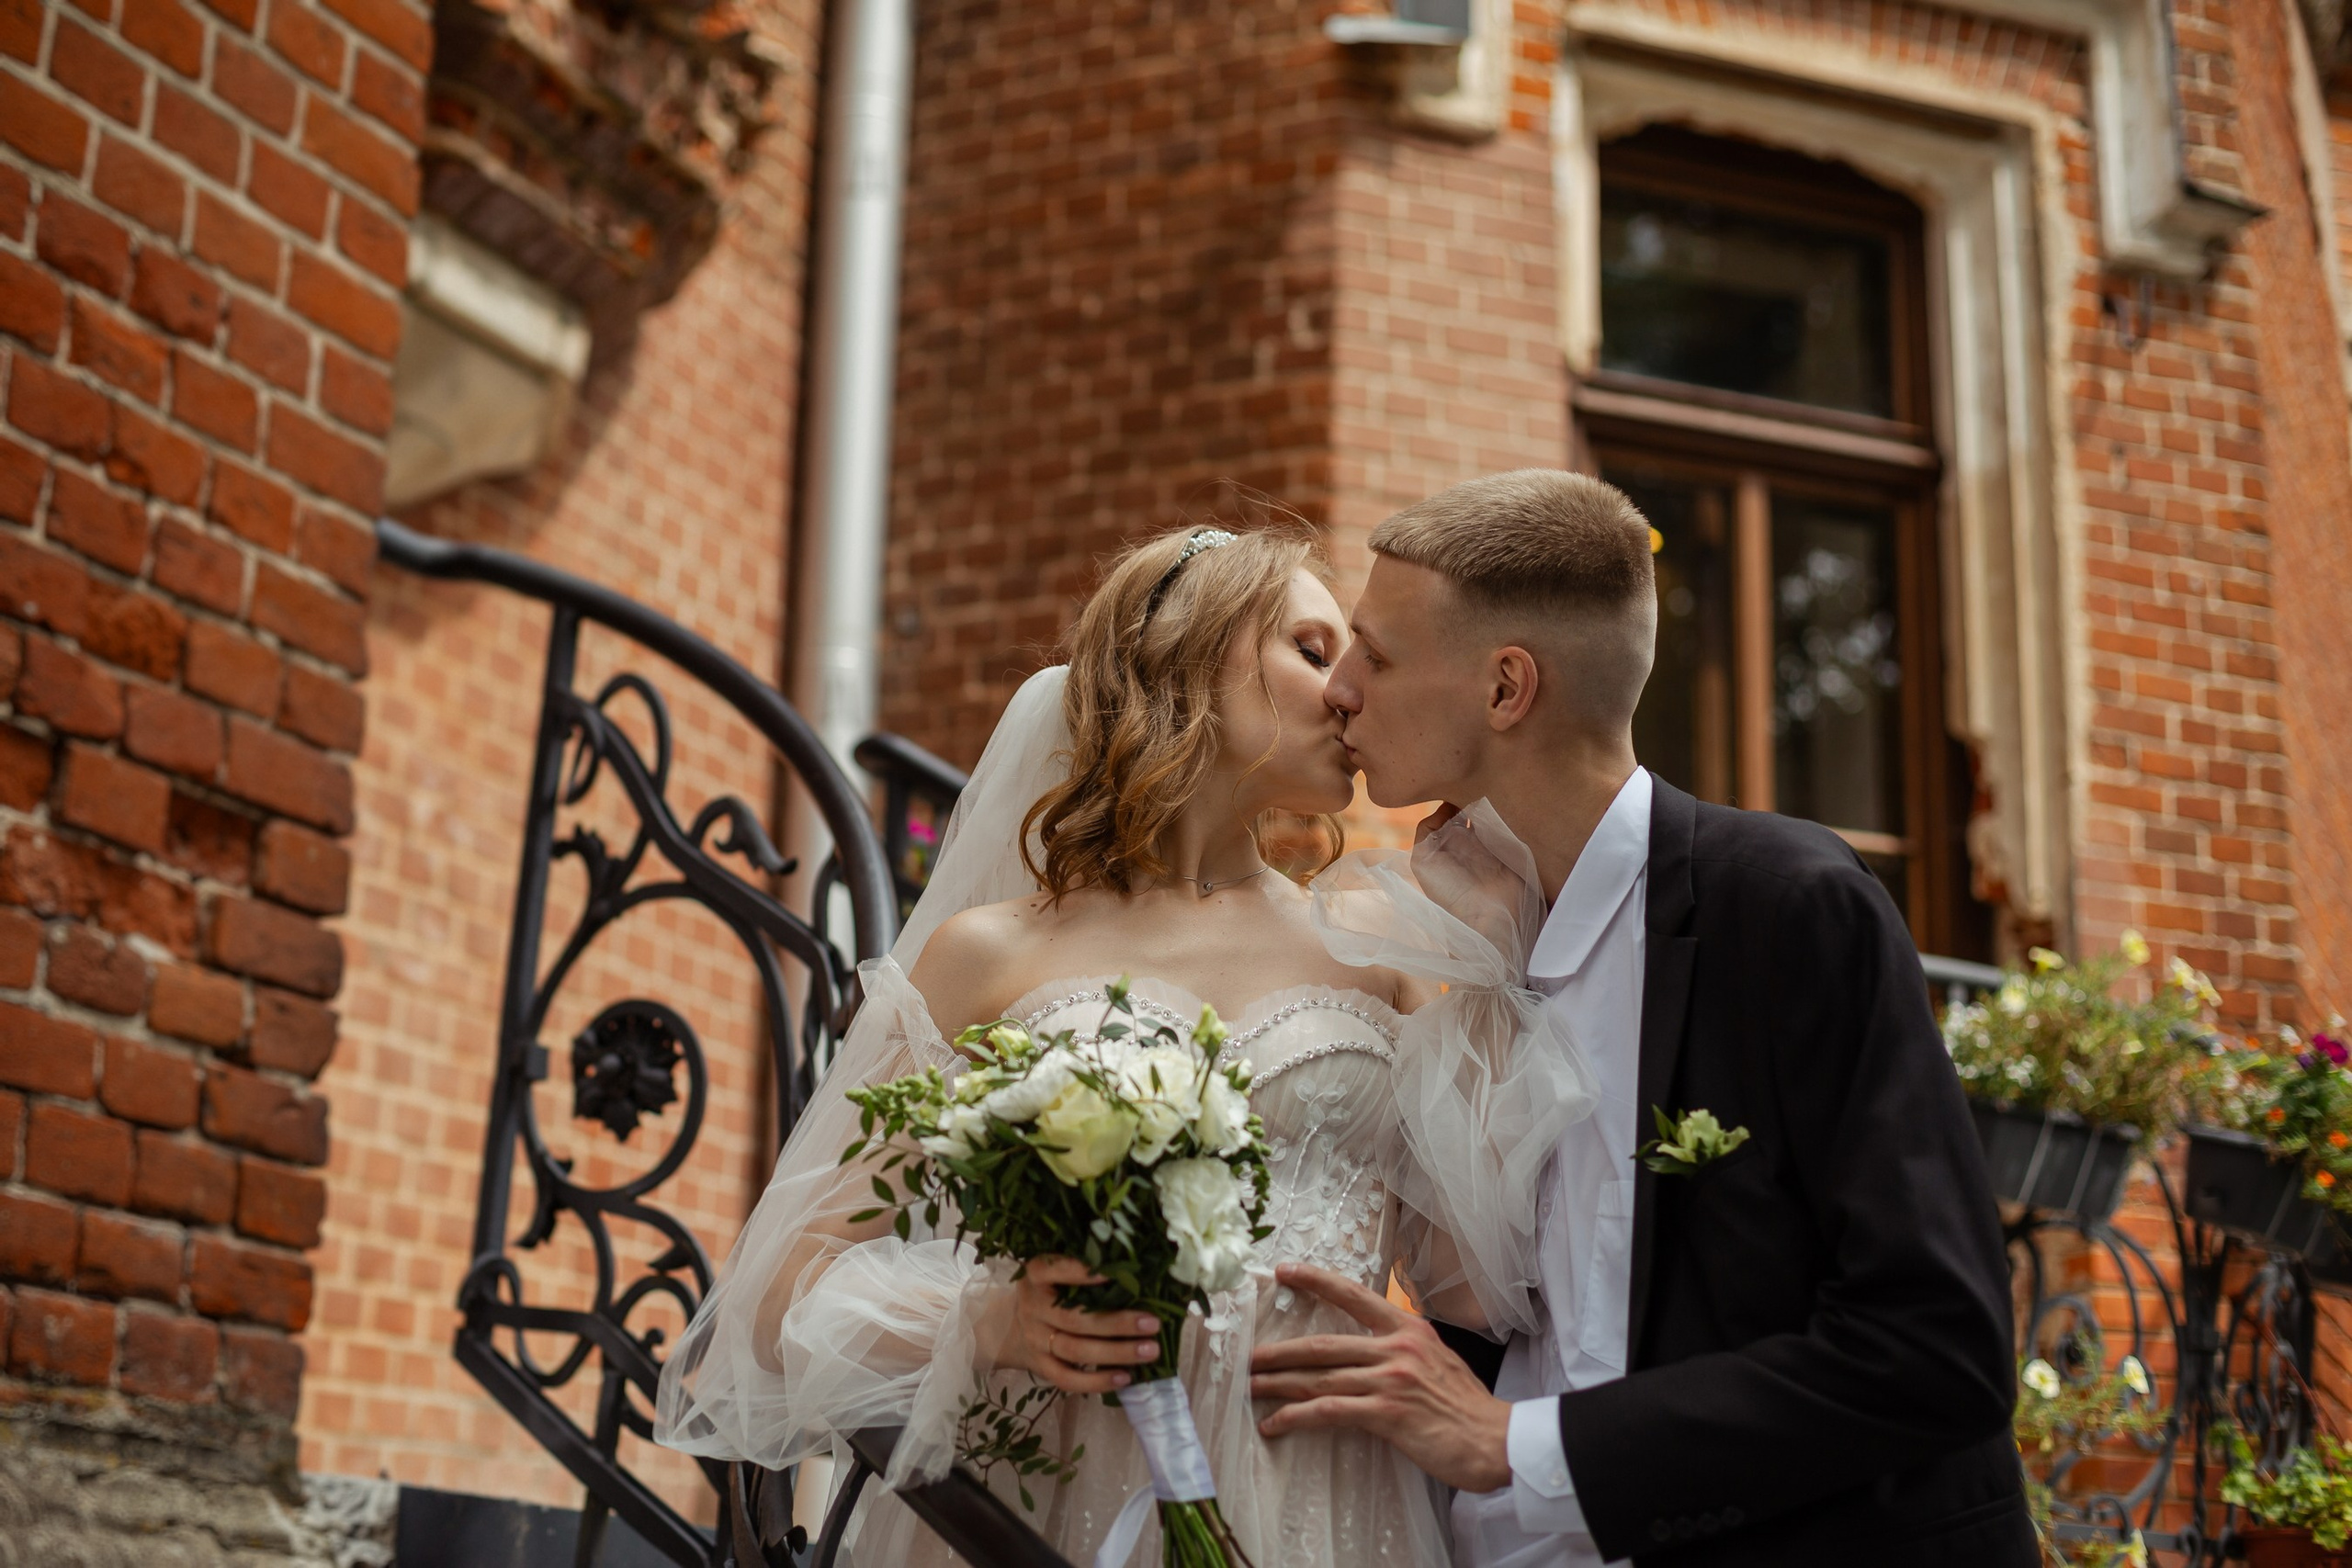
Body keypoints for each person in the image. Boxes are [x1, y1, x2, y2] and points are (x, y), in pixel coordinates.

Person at [655, 517, 1591, 1566]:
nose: (1347, 694)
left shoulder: (1389, 947)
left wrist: (1493, 953)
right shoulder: (988, 957)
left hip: (1313, 1487)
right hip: (1038, 1485)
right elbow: (783, 1289)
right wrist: (989, 1321)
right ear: (1183, 662)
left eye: (1357, 660)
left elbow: (1488, 1286)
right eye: (1312, 650)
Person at [1246, 469, 2036, 1567]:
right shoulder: (1467, 934)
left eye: (1375, 655)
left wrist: (1518, 1446)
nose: (1342, 692)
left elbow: (1936, 1347)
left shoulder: (1785, 904)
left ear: (1506, 688)